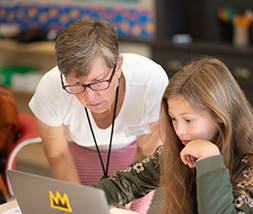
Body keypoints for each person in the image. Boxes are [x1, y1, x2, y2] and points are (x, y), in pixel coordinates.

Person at [28, 18, 168, 213]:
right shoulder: (51, 87)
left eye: (98, 82)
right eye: (77, 84)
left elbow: (147, 150)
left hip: (135, 153)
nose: (90, 97)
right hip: (78, 150)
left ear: (118, 67)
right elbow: (58, 153)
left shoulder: (150, 81)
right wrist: (79, 204)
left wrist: (124, 197)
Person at [91, 57, 253, 214]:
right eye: (173, 119)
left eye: (188, 120)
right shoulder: (180, 150)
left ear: (219, 115)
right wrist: (73, 200)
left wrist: (209, 159)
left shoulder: (249, 162)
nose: (179, 130)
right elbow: (125, 185)